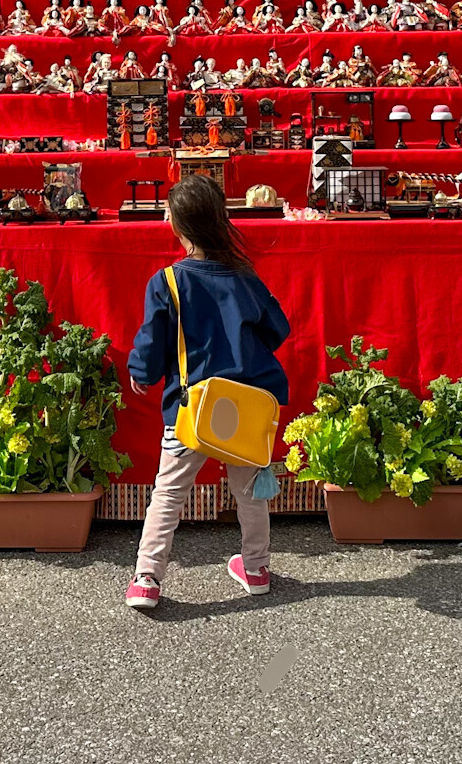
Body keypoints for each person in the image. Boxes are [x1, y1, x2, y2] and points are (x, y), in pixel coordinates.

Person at [123, 175, 290, 611]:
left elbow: (151, 342)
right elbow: (278, 328)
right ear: (220, 219)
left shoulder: (168, 281)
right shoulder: (244, 276)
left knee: (169, 493)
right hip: (247, 405)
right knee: (250, 492)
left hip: (190, 407)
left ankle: (147, 578)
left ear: (175, 225)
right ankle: (255, 568)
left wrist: (141, 371)